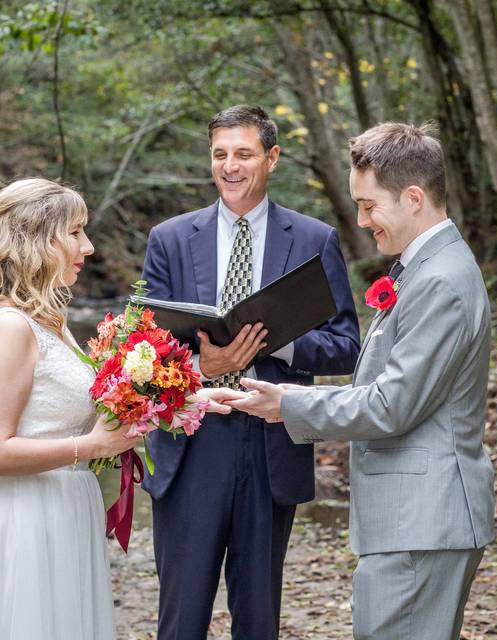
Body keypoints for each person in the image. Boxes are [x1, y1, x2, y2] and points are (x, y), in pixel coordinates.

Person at [0, 178, 240, 640]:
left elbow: (89, 406)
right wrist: (93, 446)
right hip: (17, 518)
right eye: (76, 232)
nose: (90, 246)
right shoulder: (8, 328)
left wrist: (191, 398)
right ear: (37, 240)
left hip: (57, 508)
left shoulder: (45, 323)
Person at [229, 122, 495, 640]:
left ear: (413, 197)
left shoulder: (440, 280)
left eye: (370, 205)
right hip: (415, 519)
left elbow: (392, 405)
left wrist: (290, 405)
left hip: (423, 520)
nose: (361, 219)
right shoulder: (423, 269)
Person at [140, 105, 361, 639]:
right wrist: (200, 363)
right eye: (220, 154)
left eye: (244, 153)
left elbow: (347, 347)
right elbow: (140, 353)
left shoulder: (313, 240)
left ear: (272, 158)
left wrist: (279, 343)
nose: (230, 166)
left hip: (270, 443)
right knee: (180, 618)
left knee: (258, 619)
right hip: (189, 442)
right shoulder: (169, 239)